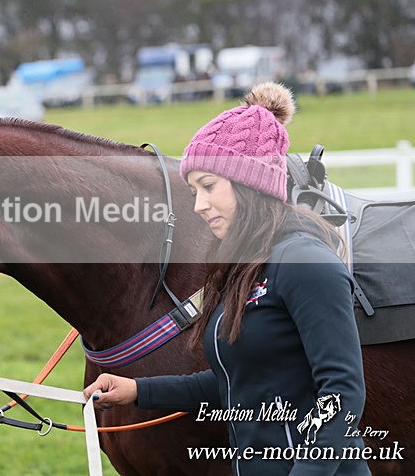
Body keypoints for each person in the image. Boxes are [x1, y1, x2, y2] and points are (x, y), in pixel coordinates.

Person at [84, 82, 369, 475]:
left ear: (250, 183)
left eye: (208, 187)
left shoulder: (306, 264)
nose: (199, 206)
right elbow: (235, 383)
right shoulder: (241, 268)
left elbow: (342, 394)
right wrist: (138, 390)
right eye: (193, 190)